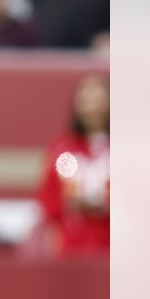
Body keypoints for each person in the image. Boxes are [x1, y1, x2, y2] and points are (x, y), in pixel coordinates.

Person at [35, 73, 109, 256]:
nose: (93, 107)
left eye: (99, 99)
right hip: (73, 248)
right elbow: (47, 200)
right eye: (86, 99)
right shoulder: (63, 150)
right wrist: (70, 201)